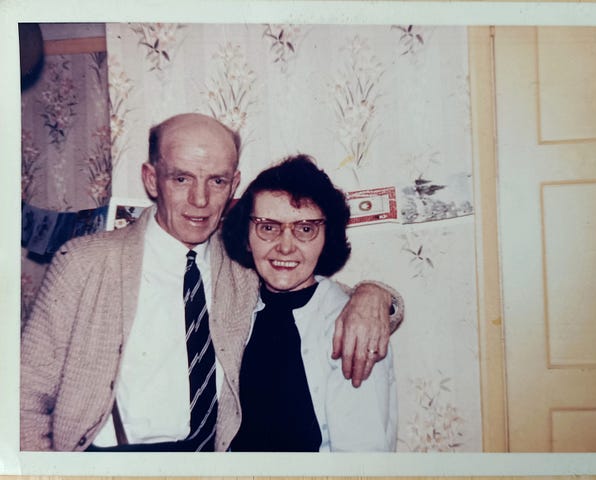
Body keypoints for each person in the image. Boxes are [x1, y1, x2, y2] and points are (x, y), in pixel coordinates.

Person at [20, 113, 403, 452]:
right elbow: (22, 398)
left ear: (233, 183)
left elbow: (307, 291)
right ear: (152, 180)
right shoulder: (84, 263)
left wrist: (375, 297)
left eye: (217, 180)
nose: (200, 199)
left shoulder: (241, 263)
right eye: (182, 178)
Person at [222, 155, 397, 451]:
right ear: (247, 236)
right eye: (268, 227)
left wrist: (376, 294)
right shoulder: (234, 307)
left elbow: (362, 457)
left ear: (327, 237)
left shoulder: (353, 327)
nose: (286, 246)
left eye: (305, 229)